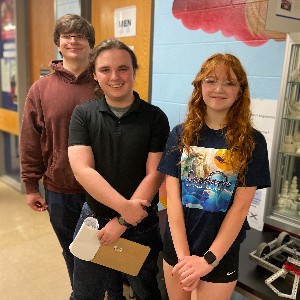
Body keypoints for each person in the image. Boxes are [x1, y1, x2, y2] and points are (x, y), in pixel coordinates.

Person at [19, 14, 123, 299]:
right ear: (59, 44)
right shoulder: (40, 90)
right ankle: (81, 294)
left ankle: (114, 296)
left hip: (104, 191)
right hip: (60, 190)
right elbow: (30, 141)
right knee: (74, 251)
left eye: (80, 36)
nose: (73, 41)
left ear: (90, 45)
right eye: (67, 36)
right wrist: (30, 185)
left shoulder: (105, 85)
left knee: (108, 253)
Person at [157, 53, 271, 300]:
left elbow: (239, 210)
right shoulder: (180, 135)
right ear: (199, 86)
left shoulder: (252, 142)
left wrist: (208, 260)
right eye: (210, 81)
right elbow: (173, 202)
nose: (219, 88)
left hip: (220, 252)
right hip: (178, 246)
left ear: (240, 91)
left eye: (229, 82)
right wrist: (185, 258)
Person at [68, 38, 170, 300]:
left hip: (141, 223)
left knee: (146, 292)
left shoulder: (155, 117)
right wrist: (123, 211)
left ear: (134, 71)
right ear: (94, 74)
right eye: (105, 70)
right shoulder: (83, 114)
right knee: (85, 293)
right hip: (96, 220)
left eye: (123, 68)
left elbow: (155, 172)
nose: (115, 77)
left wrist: (125, 220)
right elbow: (83, 170)